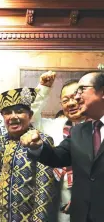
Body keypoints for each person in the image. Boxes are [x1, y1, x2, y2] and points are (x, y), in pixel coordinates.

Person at [23, 71, 104, 222]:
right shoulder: (75, 130)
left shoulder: (92, 125)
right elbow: (58, 155)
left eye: (78, 94)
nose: (74, 101)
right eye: (66, 100)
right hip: (62, 205)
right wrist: (38, 147)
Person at [0, 87, 56, 222]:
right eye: (7, 112)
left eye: (19, 111)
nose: (13, 117)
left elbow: (45, 191)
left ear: (30, 114)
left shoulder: (42, 141)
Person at [31, 72, 87, 222]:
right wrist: (43, 89)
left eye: (76, 97)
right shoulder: (53, 127)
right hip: (59, 206)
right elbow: (30, 116)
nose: (71, 103)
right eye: (65, 100)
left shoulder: (98, 129)